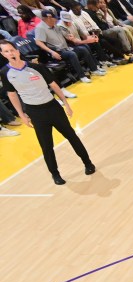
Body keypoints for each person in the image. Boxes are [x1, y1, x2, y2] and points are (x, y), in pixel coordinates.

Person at [1, 39, 95, 184]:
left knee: (71, 136)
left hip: (52, 107)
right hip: (35, 112)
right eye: (6, 51)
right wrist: (21, 114)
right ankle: (55, 174)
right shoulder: (5, 72)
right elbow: (12, 94)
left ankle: (88, 163)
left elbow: (53, 85)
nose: (10, 53)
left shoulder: (36, 67)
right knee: (46, 146)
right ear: (2, 54)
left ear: (17, 51)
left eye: (12, 50)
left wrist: (65, 102)